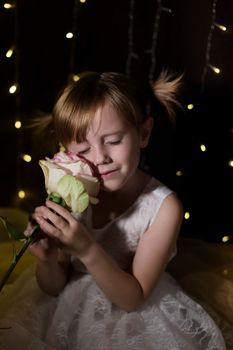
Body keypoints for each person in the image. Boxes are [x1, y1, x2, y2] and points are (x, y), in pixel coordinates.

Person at [0, 71, 226, 350]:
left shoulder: (164, 207)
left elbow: (134, 299)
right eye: (83, 150)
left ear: (143, 133)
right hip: (66, 307)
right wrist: (47, 260)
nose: (100, 158)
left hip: (130, 309)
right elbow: (53, 287)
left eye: (114, 140)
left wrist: (86, 249)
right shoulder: (70, 191)